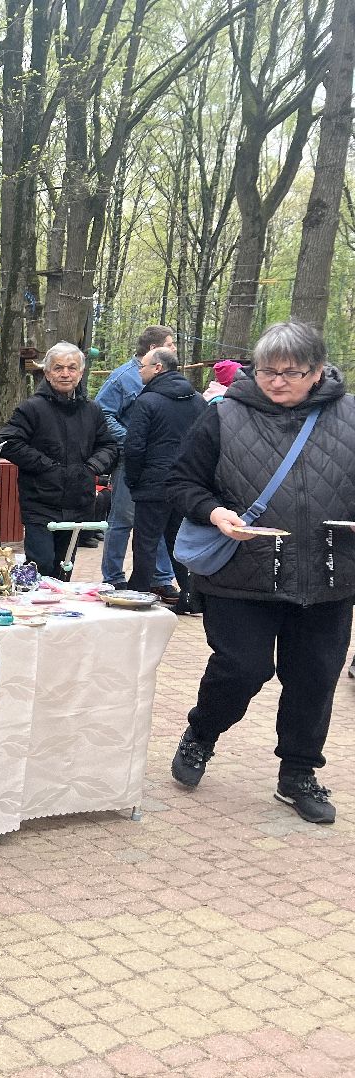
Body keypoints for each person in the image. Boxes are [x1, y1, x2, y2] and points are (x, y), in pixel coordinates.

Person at [166, 321, 355, 825]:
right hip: (241, 572)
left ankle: (297, 773)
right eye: (267, 370)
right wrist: (213, 512)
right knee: (243, 667)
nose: (276, 381)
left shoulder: (350, 415)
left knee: (315, 676)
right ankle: (201, 734)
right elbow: (181, 482)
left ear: (317, 371)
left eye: (290, 373)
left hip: (327, 574)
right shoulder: (223, 416)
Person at [0, 342, 119, 579]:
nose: (65, 374)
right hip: (40, 502)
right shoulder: (32, 408)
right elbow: (8, 442)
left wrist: (91, 467)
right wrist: (46, 466)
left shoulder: (92, 410)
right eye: (58, 368)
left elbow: (109, 446)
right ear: (47, 372)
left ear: (81, 373)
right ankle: (31, 608)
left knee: (64, 568)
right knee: (40, 564)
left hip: (78, 501)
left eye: (72, 368)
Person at [96, 325, 180, 595]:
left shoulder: (169, 379)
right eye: (171, 343)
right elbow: (102, 413)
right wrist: (132, 442)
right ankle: (113, 577)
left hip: (159, 465)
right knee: (122, 520)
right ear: (154, 349)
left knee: (157, 521)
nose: (175, 348)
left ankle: (161, 578)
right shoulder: (122, 377)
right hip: (130, 462)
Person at [123, 347, 204, 597]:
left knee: (146, 542)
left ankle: (138, 593)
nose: (139, 371)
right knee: (179, 542)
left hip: (152, 484)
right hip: (186, 485)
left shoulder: (147, 401)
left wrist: (133, 480)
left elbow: (134, 446)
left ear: (158, 368)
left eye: (142, 366)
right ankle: (191, 595)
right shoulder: (199, 401)